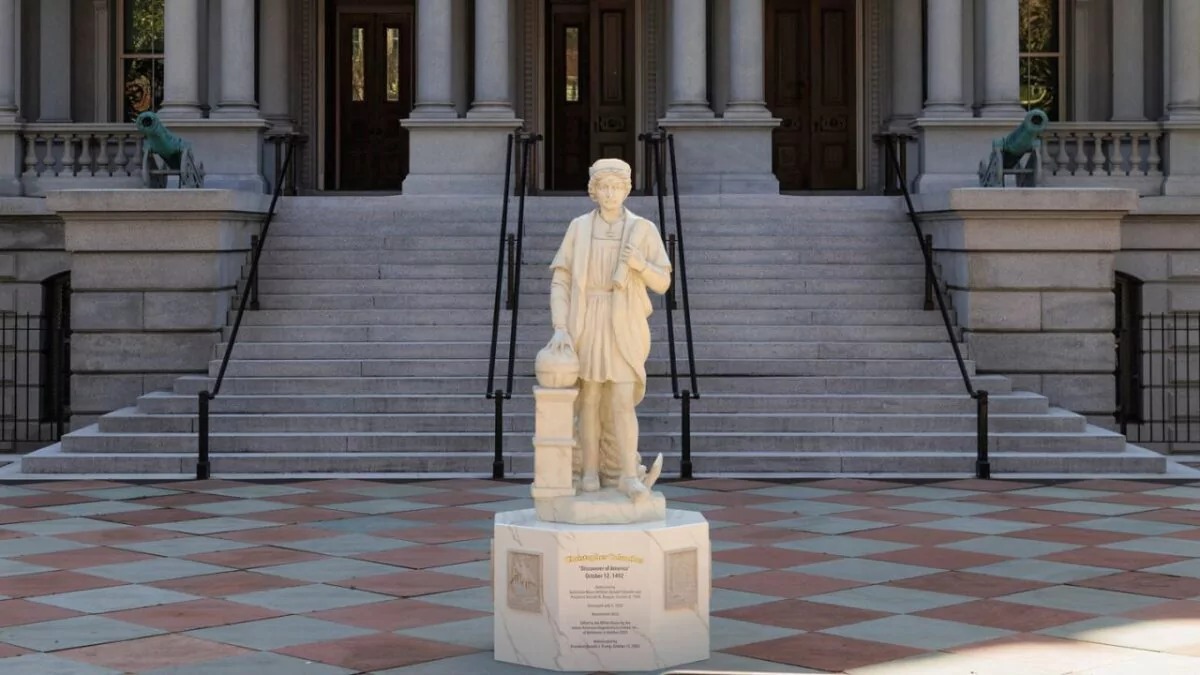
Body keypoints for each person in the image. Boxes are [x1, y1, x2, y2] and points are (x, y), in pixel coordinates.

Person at [543, 158, 672, 501]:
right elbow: (561, 279)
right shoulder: (579, 228)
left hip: (624, 323)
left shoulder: (642, 229)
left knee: (621, 401)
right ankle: (588, 471)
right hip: (587, 321)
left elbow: (663, 282)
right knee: (589, 399)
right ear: (593, 191)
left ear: (627, 189)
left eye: (617, 186)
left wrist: (639, 265)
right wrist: (560, 326)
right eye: (604, 187)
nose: (610, 193)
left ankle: (628, 474)